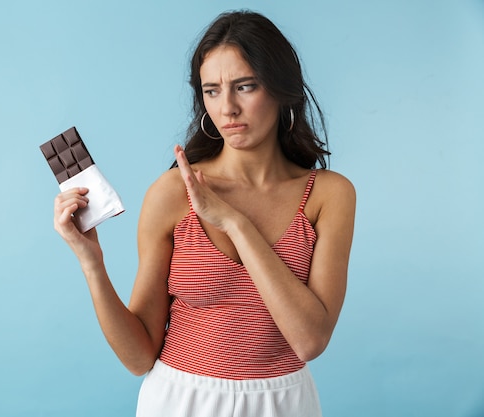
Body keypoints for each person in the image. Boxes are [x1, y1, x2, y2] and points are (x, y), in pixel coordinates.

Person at [53, 10, 355, 417]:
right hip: (181, 401)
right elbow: (139, 357)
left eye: (245, 86)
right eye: (212, 90)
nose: (228, 107)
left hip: (283, 403)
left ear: (283, 90)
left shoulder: (328, 195)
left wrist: (233, 221)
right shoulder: (172, 193)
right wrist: (92, 262)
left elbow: (310, 341)